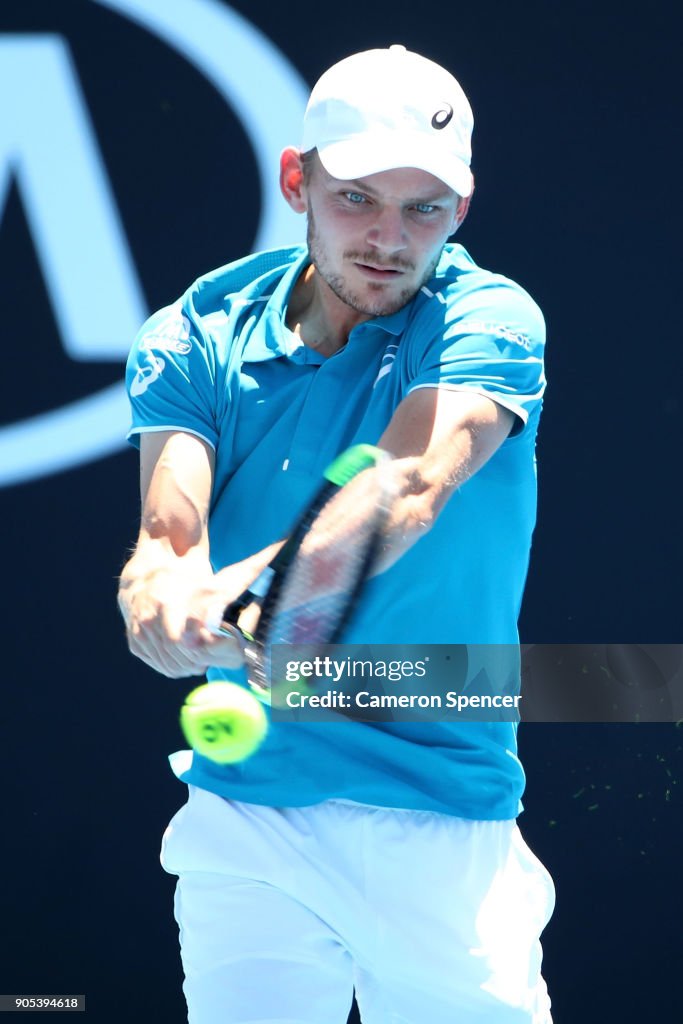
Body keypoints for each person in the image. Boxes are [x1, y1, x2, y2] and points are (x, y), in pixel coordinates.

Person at [118, 44, 555, 1024]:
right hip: (245, 817)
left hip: (440, 821)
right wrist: (161, 607)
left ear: (462, 208)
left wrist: (255, 596)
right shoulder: (194, 335)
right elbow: (166, 534)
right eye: (355, 198)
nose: (388, 239)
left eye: (422, 209)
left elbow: (407, 481)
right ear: (295, 181)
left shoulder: (487, 317)